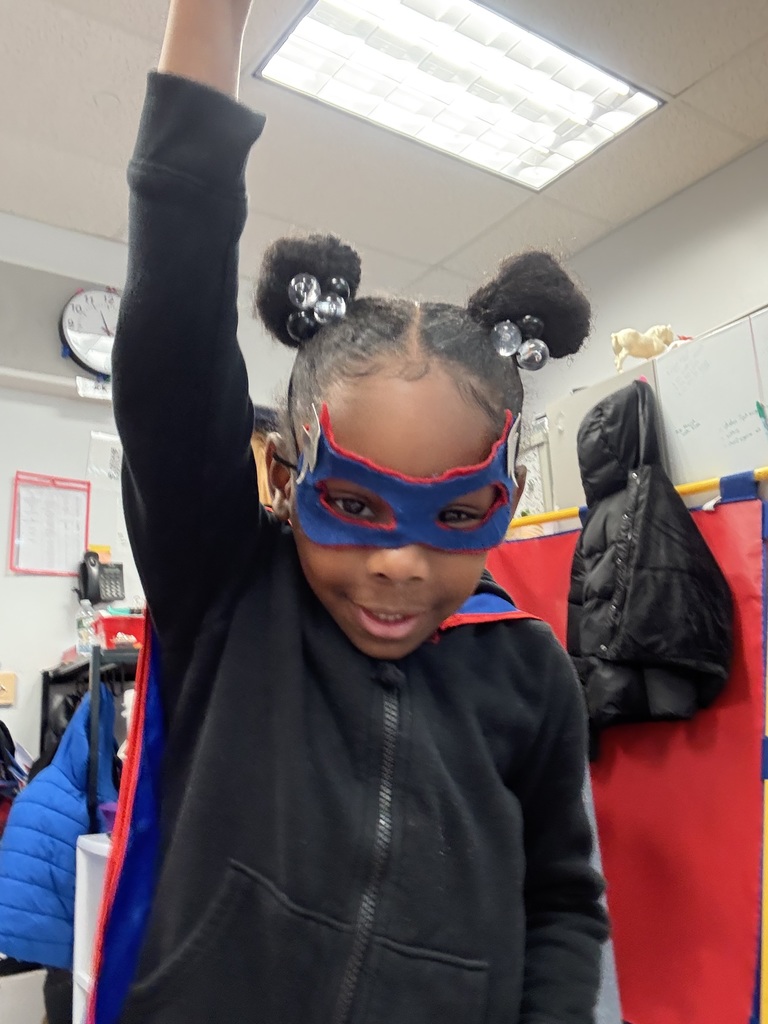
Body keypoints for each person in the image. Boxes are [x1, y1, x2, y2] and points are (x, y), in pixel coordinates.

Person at [89, 1, 609, 1022]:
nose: (401, 563)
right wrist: (210, 18)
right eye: (357, 505)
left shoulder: (532, 673)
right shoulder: (229, 594)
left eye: (454, 517)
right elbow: (171, 348)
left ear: (503, 501)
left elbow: (561, 905)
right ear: (289, 478)